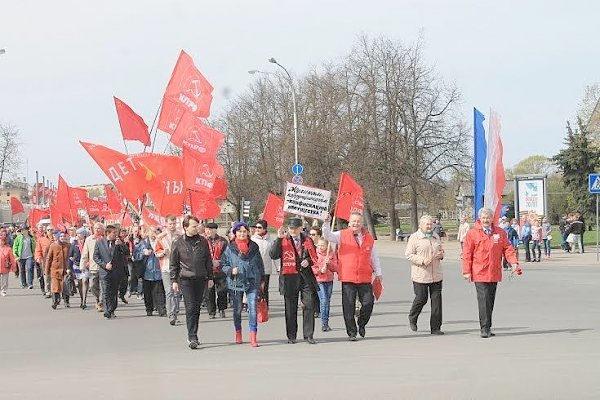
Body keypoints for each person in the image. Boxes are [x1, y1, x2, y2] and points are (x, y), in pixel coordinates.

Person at [322, 212, 383, 341]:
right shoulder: (342, 235)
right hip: (348, 276)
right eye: (353, 221)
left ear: (362, 224)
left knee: (368, 303)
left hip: (364, 276)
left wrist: (379, 273)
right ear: (349, 223)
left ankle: (362, 323)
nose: (356, 224)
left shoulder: (369, 238)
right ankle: (352, 332)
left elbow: (374, 257)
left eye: (358, 222)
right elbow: (327, 235)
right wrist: (327, 223)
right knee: (348, 306)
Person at [462, 207, 520, 338]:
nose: (486, 220)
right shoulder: (472, 233)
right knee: (483, 300)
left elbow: (508, 248)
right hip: (479, 272)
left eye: (488, 218)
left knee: (490, 300)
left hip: (494, 272)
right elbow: (467, 253)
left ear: (492, 218)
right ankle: (484, 328)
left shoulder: (499, 232)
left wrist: (514, 262)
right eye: (483, 218)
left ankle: (488, 326)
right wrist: (466, 270)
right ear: (480, 219)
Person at [270, 217, 319, 344]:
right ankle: (291, 335)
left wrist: (307, 261)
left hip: (305, 277)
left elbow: (314, 256)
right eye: (290, 228)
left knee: (309, 305)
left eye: (295, 228)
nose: (292, 230)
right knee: (290, 307)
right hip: (289, 277)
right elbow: (273, 255)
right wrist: (279, 238)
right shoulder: (283, 240)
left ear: (301, 228)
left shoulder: (307, 240)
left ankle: (309, 335)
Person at [170, 215, 214, 349]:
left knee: (196, 307)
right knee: (190, 307)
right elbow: (174, 263)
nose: (197, 228)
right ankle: (191, 336)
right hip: (185, 279)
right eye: (194, 226)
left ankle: (195, 333)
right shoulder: (178, 243)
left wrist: (210, 277)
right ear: (185, 227)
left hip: (200, 278)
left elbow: (208, 260)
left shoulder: (203, 241)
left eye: (198, 225)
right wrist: (174, 280)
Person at [221, 222, 265, 347]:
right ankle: (238, 332)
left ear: (248, 233)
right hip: (236, 282)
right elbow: (223, 264)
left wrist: (262, 280)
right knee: (237, 310)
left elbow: (260, 264)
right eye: (239, 231)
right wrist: (230, 270)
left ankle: (253, 336)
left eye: (244, 231)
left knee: (252, 308)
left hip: (252, 280)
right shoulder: (230, 248)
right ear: (235, 233)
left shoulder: (254, 247)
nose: (242, 233)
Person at [404, 215, 445, 335]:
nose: (429, 226)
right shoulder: (414, 238)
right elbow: (409, 254)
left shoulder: (435, 236)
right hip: (421, 274)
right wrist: (422, 260)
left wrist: (441, 254)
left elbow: (440, 250)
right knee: (421, 298)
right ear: (420, 225)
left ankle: (435, 327)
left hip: (436, 273)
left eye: (431, 224)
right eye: (427, 224)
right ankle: (413, 317)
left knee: (436, 300)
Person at [93, 225, 130, 319]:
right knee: (105, 291)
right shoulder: (99, 243)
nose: (116, 234)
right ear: (108, 233)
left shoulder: (118, 242)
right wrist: (104, 265)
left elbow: (127, 253)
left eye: (116, 232)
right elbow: (96, 257)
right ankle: (107, 310)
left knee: (113, 292)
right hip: (105, 272)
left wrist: (121, 244)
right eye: (114, 233)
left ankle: (112, 309)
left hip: (116, 272)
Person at [155, 214, 181, 326]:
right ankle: (171, 314)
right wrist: (163, 252)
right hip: (165, 267)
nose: (172, 225)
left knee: (176, 292)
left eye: (174, 223)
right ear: (166, 224)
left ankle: (175, 312)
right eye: (170, 223)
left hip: (178, 267)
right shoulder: (160, 237)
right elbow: (157, 253)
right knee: (169, 291)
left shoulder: (180, 236)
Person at [135, 226, 167, 317]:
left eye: (155, 232)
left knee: (160, 292)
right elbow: (135, 255)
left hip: (158, 271)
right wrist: (142, 253)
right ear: (148, 233)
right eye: (151, 232)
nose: (153, 234)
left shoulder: (161, 242)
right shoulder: (143, 243)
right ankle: (149, 309)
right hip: (147, 272)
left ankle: (162, 310)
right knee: (147, 292)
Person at [311, 238, 337, 332]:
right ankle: (323, 323)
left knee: (328, 301)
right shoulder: (315, 254)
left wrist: (329, 264)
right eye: (319, 245)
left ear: (327, 246)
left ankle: (326, 322)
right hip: (319, 280)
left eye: (323, 245)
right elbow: (313, 267)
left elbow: (336, 268)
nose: (320, 247)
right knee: (324, 300)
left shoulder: (331, 254)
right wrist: (320, 271)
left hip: (329, 280)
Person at [204, 222, 228, 319]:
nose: (208, 231)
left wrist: (220, 261)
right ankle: (211, 311)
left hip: (220, 270)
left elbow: (227, 255)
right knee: (209, 292)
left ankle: (222, 309)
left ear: (215, 230)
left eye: (210, 229)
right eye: (207, 230)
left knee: (222, 291)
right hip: (208, 270)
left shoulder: (223, 241)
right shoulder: (203, 241)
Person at [251, 219, 277, 306]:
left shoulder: (270, 240)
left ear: (265, 229)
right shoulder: (252, 239)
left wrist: (278, 268)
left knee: (264, 289)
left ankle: (265, 308)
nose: (257, 229)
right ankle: (254, 307)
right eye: (256, 227)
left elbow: (274, 254)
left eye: (259, 227)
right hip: (254, 269)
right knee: (255, 288)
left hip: (266, 268)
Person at [80, 222, 104, 312]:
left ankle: (101, 302)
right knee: (93, 285)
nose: (97, 230)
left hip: (104, 267)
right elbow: (85, 253)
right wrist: (82, 265)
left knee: (103, 285)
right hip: (93, 267)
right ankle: (97, 298)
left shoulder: (105, 239)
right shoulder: (89, 239)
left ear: (103, 230)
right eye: (95, 228)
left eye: (99, 228)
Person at [45, 232, 71, 309]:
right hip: (55, 270)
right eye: (61, 236)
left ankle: (66, 301)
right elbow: (49, 258)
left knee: (65, 287)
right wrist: (47, 271)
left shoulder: (68, 246)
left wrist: (70, 268)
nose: (63, 237)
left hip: (65, 270)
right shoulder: (53, 245)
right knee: (55, 287)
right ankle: (55, 302)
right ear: (58, 237)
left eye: (64, 236)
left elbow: (70, 257)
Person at [68, 228, 89, 309]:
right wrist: (69, 267)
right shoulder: (74, 243)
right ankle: (81, 299)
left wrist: (89, 262)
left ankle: (84, 301)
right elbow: (70, 255)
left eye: (80, 233)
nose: (78, 235)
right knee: (80, 283)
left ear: (84, 234)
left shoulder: (87, 242)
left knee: (85, 281)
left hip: (85, 265)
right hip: (76, 265)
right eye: (77, 233)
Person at [12, 225, 36, 289]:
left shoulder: (31, 238)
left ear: (27, 230)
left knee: (29, 268)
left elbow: (34, 246)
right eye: (22, 230)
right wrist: (16, 256)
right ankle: (23, 283)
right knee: (22, 270)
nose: (23, 231)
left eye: (25, 230)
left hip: (29, 256)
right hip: (21, 257)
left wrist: (34, 253)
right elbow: (15, 247)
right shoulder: (18, 238)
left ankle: (30, 283)